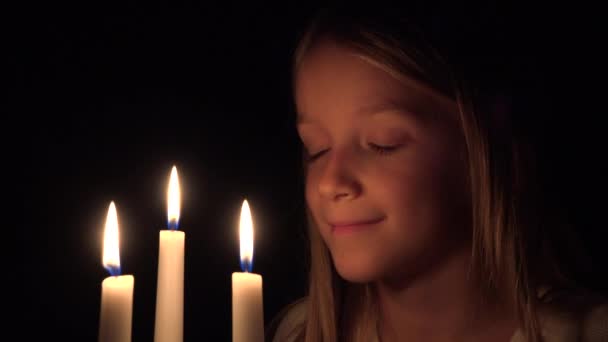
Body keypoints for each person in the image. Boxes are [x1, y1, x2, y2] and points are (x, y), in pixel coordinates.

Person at [268, 3, 608, 342]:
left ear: (488, 148)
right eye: (317, 150)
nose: (330, 182)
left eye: (382, 144)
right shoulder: (298, 333)